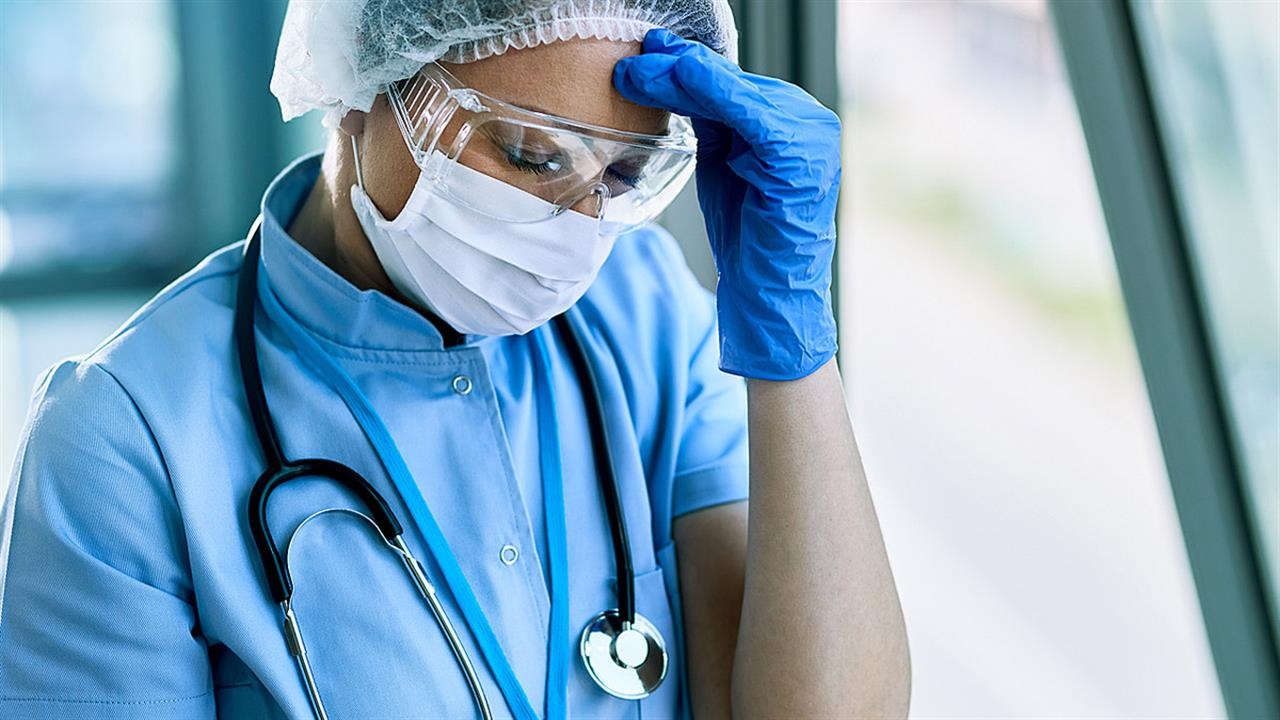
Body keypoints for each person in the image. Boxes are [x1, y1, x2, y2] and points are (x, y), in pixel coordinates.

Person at [0, 1, 909, 718]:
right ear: (363, 82)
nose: (577, 228)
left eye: (621, 176)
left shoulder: (644, 313)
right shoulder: (123, 440)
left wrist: (792, 349)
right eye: (531, 155)